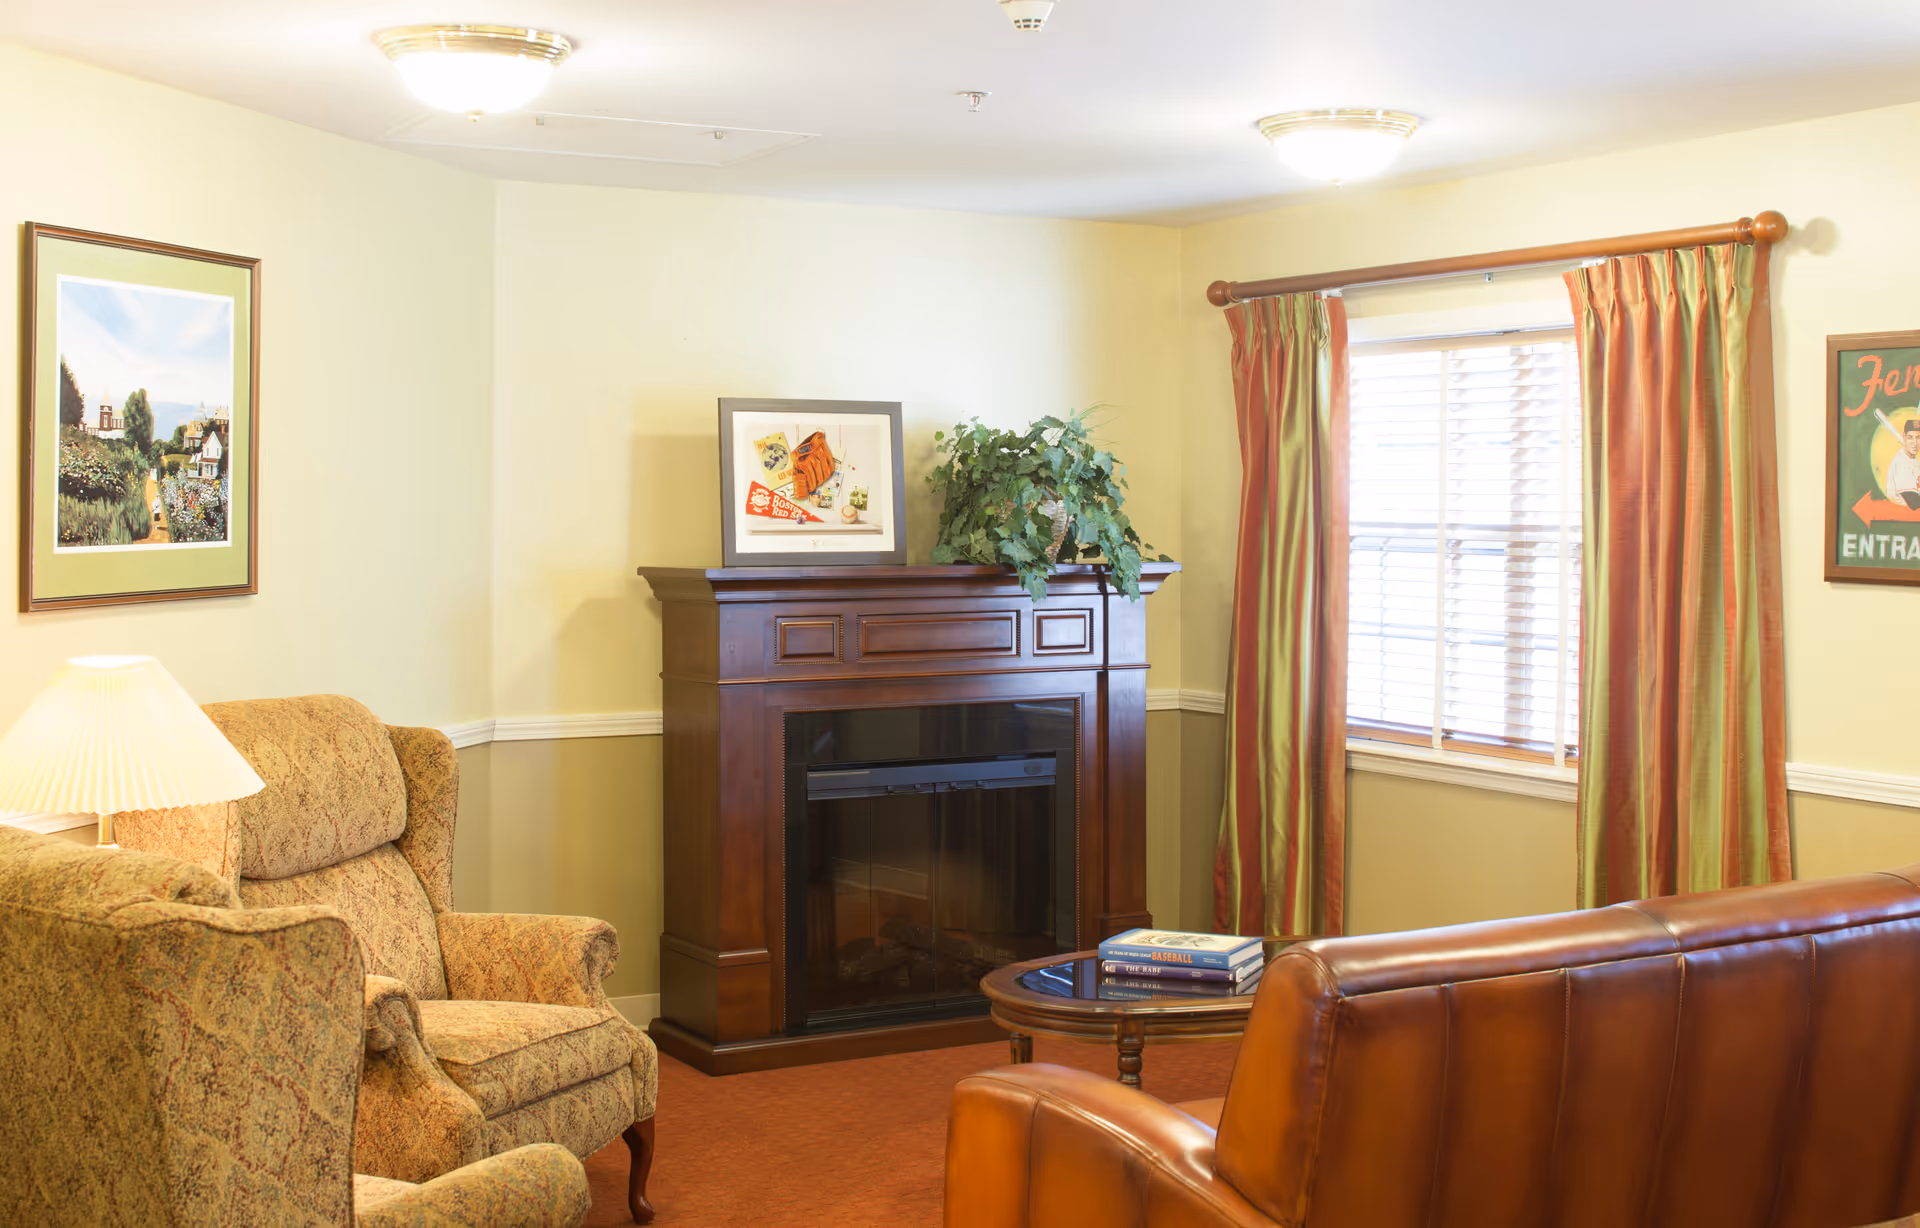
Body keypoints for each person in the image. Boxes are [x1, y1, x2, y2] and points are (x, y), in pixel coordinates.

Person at [1889, 418, 1920, 509]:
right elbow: (1912, 501)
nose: (1915, 443)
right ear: (1904, 437)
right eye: (1910, 437)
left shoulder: (1914, 462)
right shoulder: (1901, 462)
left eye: (1918, 437)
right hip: (1905, 513)